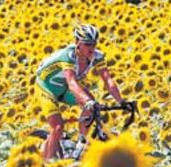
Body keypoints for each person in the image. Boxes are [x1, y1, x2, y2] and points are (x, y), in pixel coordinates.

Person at [36, 24, 131, 160]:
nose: (91, 48)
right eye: (87, 44)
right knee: (57, 127)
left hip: (64, 88)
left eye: (93, 44)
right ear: (77, 43)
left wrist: (121, 101)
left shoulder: (97, 57)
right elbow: (72, 83)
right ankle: (48, 164)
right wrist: (87, 102)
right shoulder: (67, 56)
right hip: (46, 88)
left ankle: (81, 142)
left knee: (93, 106)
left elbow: (108, 80)